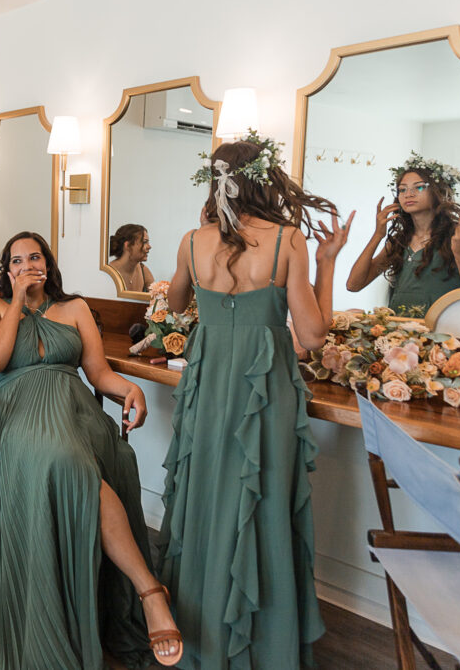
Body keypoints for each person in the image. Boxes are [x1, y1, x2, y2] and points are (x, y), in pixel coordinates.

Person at [157, 133, 354, 668]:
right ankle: (258, 643)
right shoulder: (288, 240)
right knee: (259, 502)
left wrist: (200, 254)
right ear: (265, 181)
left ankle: (197, 634)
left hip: (208, 382)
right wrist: (327, 262)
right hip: (262, 393)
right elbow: (312, 335)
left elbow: (175, 306)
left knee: (205, 498)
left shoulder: (192, 241)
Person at [0, 232, 181, 669]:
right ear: (7, 271)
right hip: (17, 412)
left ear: (48, 264)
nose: (26, 265)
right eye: (15, 261)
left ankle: (142, 595)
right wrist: (17, 301)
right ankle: (150, 591)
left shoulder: (75, 309)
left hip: (73, 408)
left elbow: (97, 372)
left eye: (33, 256)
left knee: (97, 457)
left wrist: (131, 388)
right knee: (67, 462)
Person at [346, 153, 460, 317]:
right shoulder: (399, 241)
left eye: (418, 187)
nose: (408, 194)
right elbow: (354, 285)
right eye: (402, 189)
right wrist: (378, 235)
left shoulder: (459, 235)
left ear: (437, 192)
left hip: (442, 330)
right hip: (401, 329)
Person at [109, 223, 156, 292]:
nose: (149, 247)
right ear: (127, 245)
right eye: (144, 242)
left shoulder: (144, 271)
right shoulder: (110, 272)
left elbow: (157, 298)